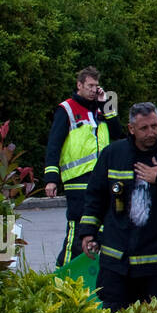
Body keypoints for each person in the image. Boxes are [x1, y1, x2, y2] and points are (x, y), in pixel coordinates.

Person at [79, 102, 157, 311]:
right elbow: (95, 196)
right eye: (144, 128)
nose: (151, 133)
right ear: (131, 129)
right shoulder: (113, 154)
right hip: (116, 263)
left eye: (155, 126)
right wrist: (88, 232)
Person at [43, 66, 123, 267]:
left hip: (102, 178)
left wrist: (106, 105)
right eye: (90, 85)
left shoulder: (102, 107)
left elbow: (118, 134)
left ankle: (91, 274)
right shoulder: (67, 109)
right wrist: (51, 178)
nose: (94, 89)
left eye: (97, 85)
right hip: (77, 179)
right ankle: (64, 272)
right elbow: (54, 144)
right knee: (79, 227)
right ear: (79, 85)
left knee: (102, 228)